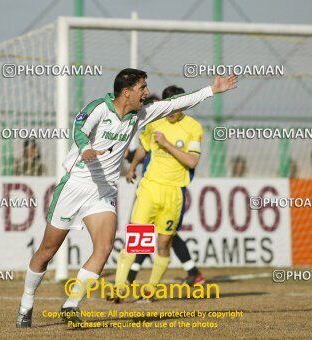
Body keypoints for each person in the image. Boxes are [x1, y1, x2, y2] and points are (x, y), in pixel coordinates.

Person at [15, 68, 238, 328]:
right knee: (47, 251)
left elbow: (176, 102)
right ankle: (26, 304)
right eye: (142, 88)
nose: (146, 92)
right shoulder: (99, 108)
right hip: (76, 185)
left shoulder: (140, 114)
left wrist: (211, 90)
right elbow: (79, 128)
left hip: (103, 191)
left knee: (104, 247)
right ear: (127, 92)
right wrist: (86, 148)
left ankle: (71, 304)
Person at [115, 86, 205, 299]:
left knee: (164, 242)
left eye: (178, 105)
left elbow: (192, 160)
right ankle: (119, 287)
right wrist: (132, 167)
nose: (173, 111)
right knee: (137, 240)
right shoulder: (154, 122)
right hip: (150, 188)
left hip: (174, 192)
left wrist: (166, 144)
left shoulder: (194, 128)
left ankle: (150, 290)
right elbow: (143, 148)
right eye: (170, 105)